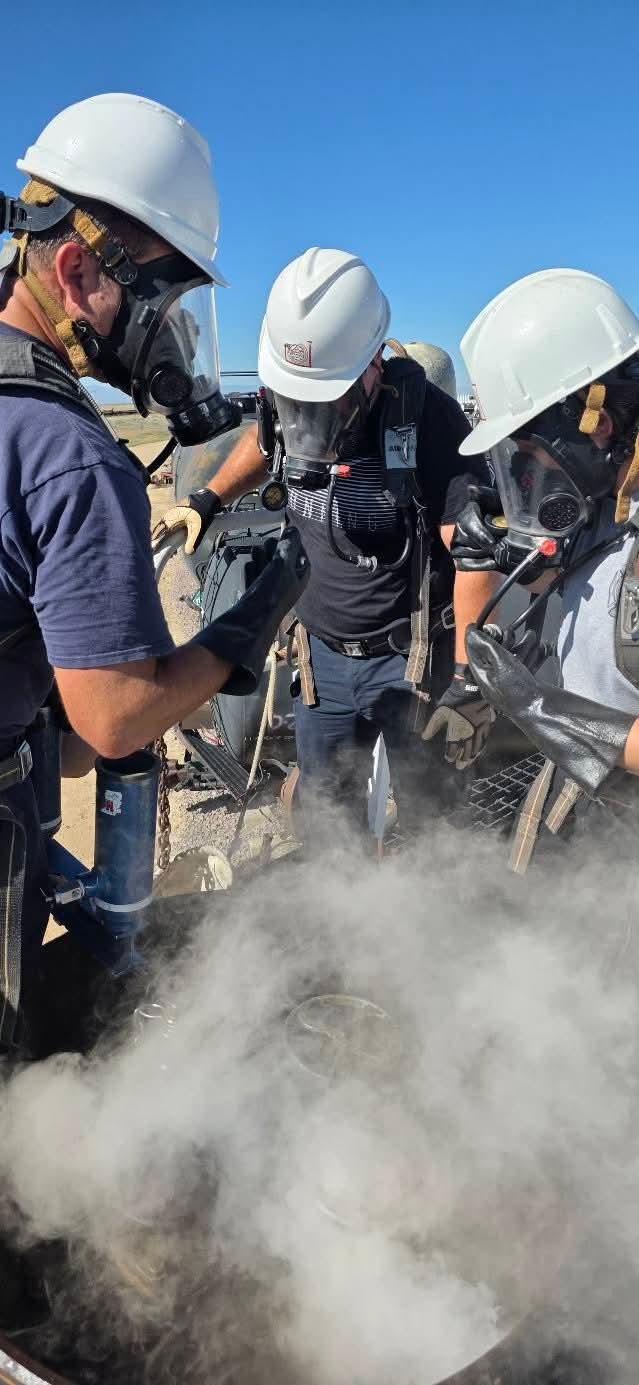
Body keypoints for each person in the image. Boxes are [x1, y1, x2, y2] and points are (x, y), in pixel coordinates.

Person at [0, 93, 309, 1056]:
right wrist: (246, 624)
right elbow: (116, 719)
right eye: (162, 303)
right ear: (76, 269)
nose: (171, 338)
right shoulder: (70, 454)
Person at [159, 247, 497, 836]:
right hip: (322, 660)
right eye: (299, 401)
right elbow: (263, 446)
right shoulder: (286, 399)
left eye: (328, 398)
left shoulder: (429, 419)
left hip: (411, 663)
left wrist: (470, 681)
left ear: (372, 365)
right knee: (326, 814)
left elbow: (472, 551)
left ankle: (427, 890)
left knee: (430, 813)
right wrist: (208, 499)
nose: (310, 416)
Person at [449, 268, 639, 869]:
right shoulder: (611, 497)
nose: (524, 475)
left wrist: (541, 709)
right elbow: (594, 582)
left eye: (529, 453)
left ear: (595, 425)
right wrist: (497, 551)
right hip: (596, 801)